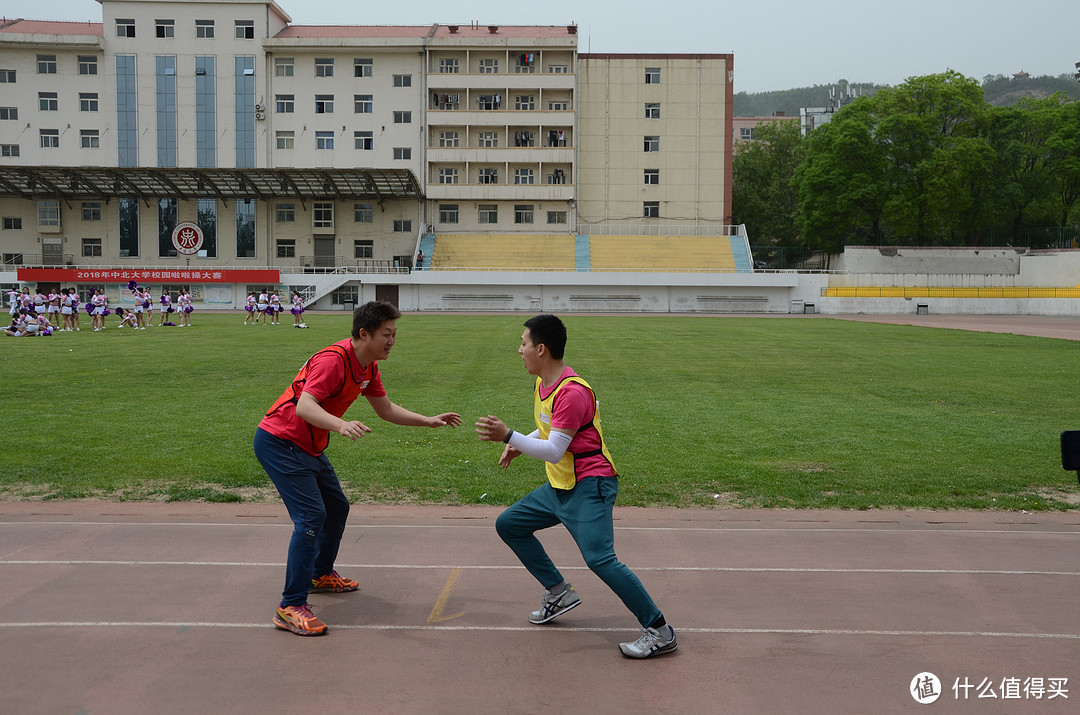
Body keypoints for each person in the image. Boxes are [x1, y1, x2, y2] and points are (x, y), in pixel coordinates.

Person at [254, 300, 462, 636]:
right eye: (386, 334)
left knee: (336, 507)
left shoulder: (367, 367)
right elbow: (305, 406)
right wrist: (339, 425)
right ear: (364, 334)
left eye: (394, 334)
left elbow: (386, 409)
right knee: (310, 517)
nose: (392, 340)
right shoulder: (333, 361)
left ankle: (320, 574)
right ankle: (290, 606)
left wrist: (428, 421)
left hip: (307, 446)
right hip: (281, 442)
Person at [475, 314, 677, 659]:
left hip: (590, 485)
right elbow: (553, 430)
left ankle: (660, 630)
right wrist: (521, 442)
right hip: (561, 485)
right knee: (509, 525)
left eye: (523, 343)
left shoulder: (572, 392)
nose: (519, 349)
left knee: (600, 560)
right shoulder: (544, 383)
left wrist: (510, 436)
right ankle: (558, 592)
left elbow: (554, 449)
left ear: (541, 349)